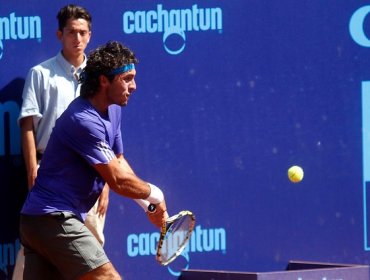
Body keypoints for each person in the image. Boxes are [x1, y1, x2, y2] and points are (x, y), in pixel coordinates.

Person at [19, 40, 168, 279]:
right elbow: (118, 180)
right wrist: (156, 195)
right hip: (53, 218)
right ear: (104, 81)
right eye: (127, 78)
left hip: (37, 222)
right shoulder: (83, 119)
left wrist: (148, 205)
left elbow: (118, 160)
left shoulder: (113, 109)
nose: (134, 86)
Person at [14, 4, 108, 279]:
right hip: (50, 174)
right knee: (38, 247)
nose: (77, 39)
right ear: (59, 35)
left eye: (82, 33)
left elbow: (108, 129)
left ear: (90, 35)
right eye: (71, 32)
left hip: (92, 173)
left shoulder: (102, 78)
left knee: (90, 253)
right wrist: (33, 169)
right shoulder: (40, 74)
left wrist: (107, 180)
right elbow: (27, 125)